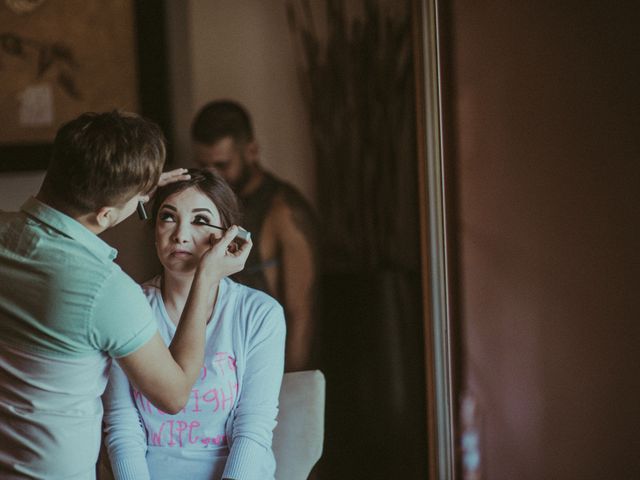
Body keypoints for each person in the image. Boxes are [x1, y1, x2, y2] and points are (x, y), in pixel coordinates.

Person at [0, 111, 250, 479]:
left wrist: (131, 189)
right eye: (147, 206)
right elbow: (175, 394)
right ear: (105, 215)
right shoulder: (107, 291)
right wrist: (207, 279)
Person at [102, 168, 285, 480]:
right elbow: (122, 425)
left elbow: (253, 426)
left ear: (229, 235)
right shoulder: (128, 304)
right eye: (168, 217)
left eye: (200, 220)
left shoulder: (259, 313)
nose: (180, 235)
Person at [192, 100, 316, 372]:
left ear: (251, 151)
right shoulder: (200, 204)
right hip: (212, 364)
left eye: (222, 165)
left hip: (264, 362)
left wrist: (288, 387)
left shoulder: (282, 209)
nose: (212, 176)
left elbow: (301, 311)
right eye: (203, 165)